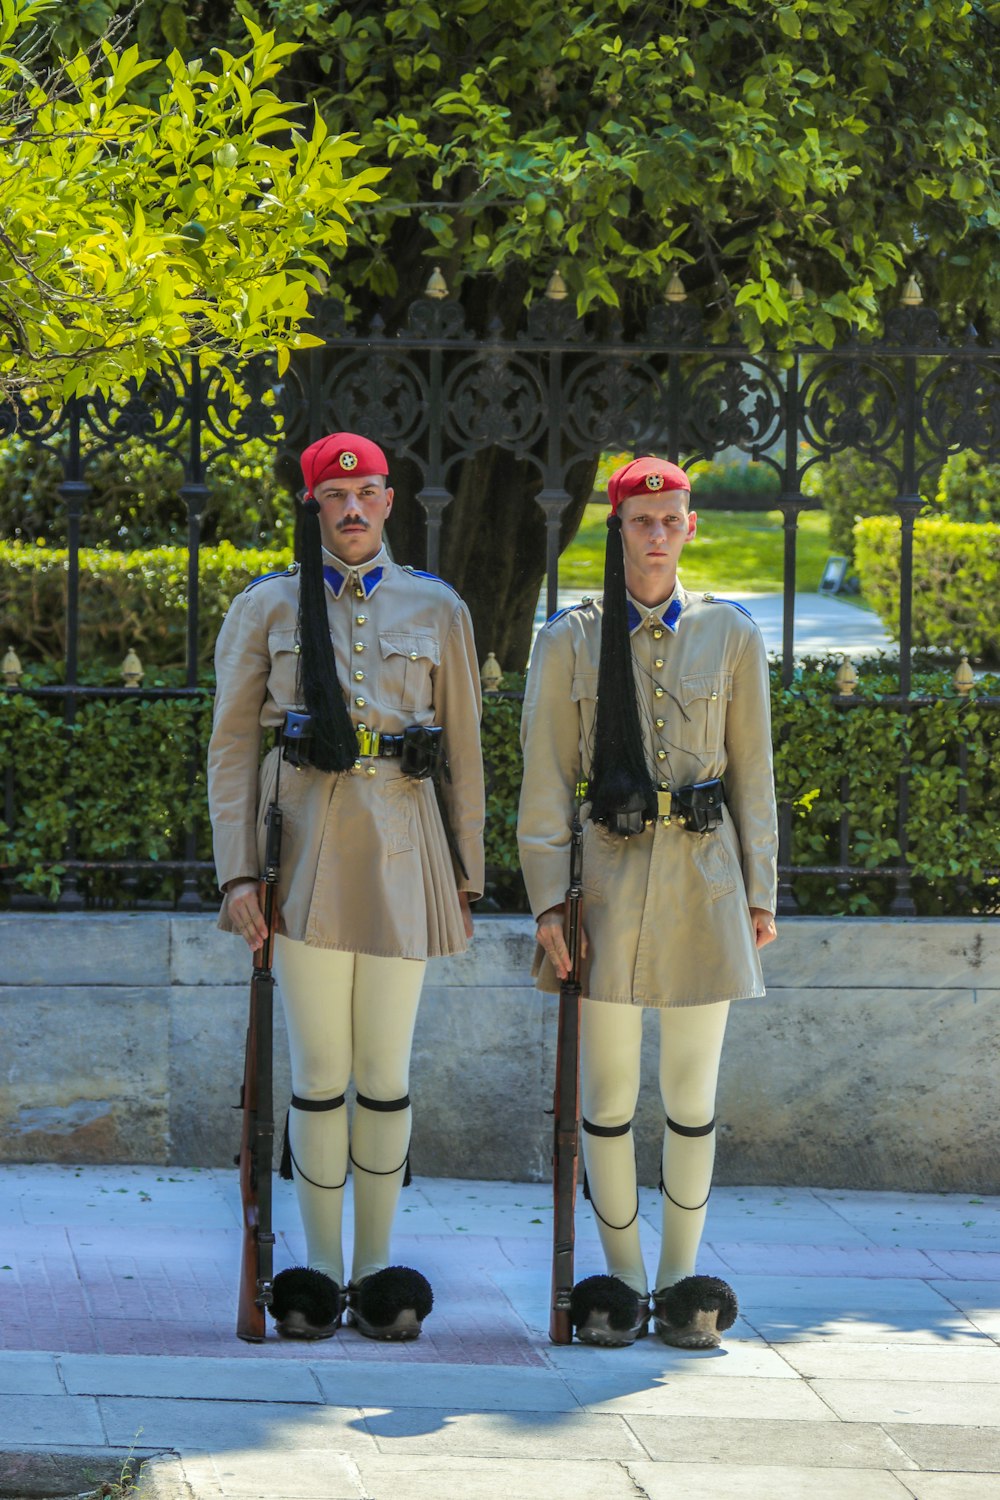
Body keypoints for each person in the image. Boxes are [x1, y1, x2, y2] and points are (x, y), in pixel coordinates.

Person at [208, 432, 485, 1341]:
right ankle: (318, 1271)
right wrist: (238, 872)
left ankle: (376, 1271)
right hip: (306, 855)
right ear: (313, 507)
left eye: (367, 493)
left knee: (386, 1074)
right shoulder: (267, 607)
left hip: (407, 855)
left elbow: (464, 755)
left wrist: (467, 872)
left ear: (390, 500)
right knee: (319, 1074)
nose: (354, 510)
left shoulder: (435, 607)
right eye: (336, 497)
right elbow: (235, 750)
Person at [517, 455, 778, 1349]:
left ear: (690, 527)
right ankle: (620, 1278)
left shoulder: (732, 635)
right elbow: (547, 782)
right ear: (617, 530)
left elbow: (754, 775)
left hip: (706, 881)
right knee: (608, 1097)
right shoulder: (570, 639)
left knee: (692, 1096)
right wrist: (549, 904)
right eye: (641, 521)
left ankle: (681, 1280)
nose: (657, 535)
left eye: (671, 520)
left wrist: (762, 889)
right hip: (610, 885)